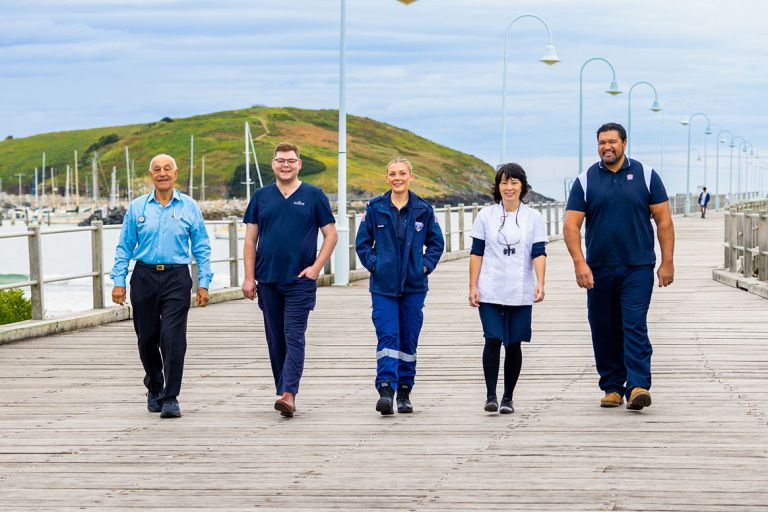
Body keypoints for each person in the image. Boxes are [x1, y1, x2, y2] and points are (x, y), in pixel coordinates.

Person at [564, 122, 675, 411]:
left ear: (625, 143)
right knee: (603, 327)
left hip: (637, 265)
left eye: (612, 141)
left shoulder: (646, 176)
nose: (606, 147)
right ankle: (612, 386)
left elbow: (664, 221)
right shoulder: (586, 180)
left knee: (633, 323)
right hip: (598, 268)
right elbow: (571, 225)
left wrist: (667, 261)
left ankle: (638, 385)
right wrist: (580, 263)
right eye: (602, 142)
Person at [111, 154, 212, 419]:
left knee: (173, 337)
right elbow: (124, 247)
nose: (162, 173)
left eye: (167, 169)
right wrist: (118, 281)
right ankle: (155, 386)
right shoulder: (137, 208)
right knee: (147, 338)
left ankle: (171, 397)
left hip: (177, 278)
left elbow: (201, 247)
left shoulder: (189, 207)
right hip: (143, 276)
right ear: (151, 174)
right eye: (157, 169)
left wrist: (204, 283)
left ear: (176, 173)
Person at [241, 142, 338, 418]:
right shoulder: (261, 196)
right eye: (281, 160)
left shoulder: (313, 195)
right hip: (267, 279)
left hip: (299, 281)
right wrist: (249, 277)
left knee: (294, 336)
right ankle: (283, 388)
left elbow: (331, 235)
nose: (286, 165)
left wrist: (316, 267)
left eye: (291, 161)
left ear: (299, 164)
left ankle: (288, 394)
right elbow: (250, 239)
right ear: (273, 164)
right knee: (276, 338)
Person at [355, 157, 444, 415]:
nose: (398, 178)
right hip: (383, 287)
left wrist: (424, 266)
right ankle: (386, 389)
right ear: (387, 178)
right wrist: (376, 264)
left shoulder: (423, 210)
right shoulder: (375, 209)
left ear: (410, 177)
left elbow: (437, 244)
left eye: (402, 173)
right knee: (388, 336)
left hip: (414, 287)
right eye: (393, 174)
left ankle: (404, 391)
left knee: (408, 339)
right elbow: (362, 243)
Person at [468, 164, 547, 414]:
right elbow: (477, 252)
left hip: (520, 288)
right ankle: (491, 395)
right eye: (504, 183)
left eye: (513, 182)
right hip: (490, 288)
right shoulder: (485, 215)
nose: (509, 187)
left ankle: (508, 398)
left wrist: (540, 282)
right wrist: (472, 285)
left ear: (522, 186)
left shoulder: (533, 217)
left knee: (514, 343)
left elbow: (538, 252)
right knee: (492, 339)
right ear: (497, 187)